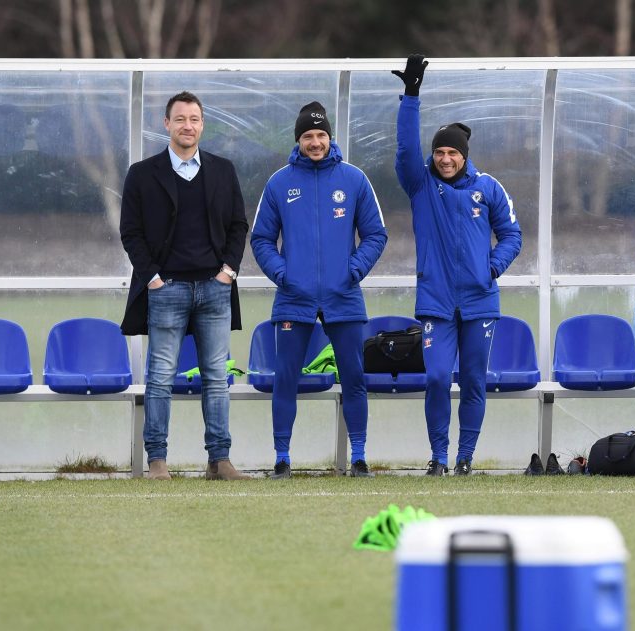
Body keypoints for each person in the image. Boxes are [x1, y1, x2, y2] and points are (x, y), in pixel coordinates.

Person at [393, 55, 522, 476]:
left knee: (473, 381)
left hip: (480, 302)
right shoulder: (421, 184)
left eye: (452, 152)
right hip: (436, 302)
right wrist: (411, 96)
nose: (445, 158)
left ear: (465, 155)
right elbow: (406, 150)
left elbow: (513, 236)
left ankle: (465, 457)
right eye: (440, 152)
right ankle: (438, 456)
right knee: (435, 379)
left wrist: (492, 268)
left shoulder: (487, 189)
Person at [251, 101, 387, 479]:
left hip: (343, 296)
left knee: (354, 377)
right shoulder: (280, 182)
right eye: (308, 136)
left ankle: (358, 456)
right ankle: (282, 458)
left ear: (330, 137)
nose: (315, 142)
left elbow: (376, 234)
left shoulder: (354, 179)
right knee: (286, 378)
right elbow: (261, 239)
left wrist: (354, 269)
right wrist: (283, 274)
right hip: (294, 297)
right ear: (298, 140)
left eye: (321, 135)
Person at [120, 91, 250, 481]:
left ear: (202, 124)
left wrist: (228, 272)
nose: (187, 126)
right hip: (167, 289)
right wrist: (154, 278)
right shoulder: (142, 174)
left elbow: (238, 226)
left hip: (214, 289)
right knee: (160, 376)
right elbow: (131, 232)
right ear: (166, 124)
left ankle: (219, 460)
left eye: (194, 119)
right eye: (180, 119)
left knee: (215, 376)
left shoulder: (223, 170)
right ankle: (157, 459)